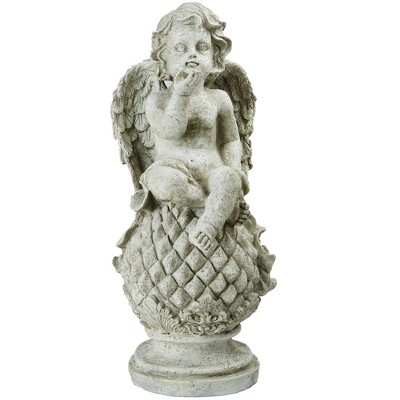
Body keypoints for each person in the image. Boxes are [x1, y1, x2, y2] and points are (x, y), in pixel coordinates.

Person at [142, 3, 248, 252]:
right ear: (164, 59)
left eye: (201, 47)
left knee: (228, 179)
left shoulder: (219, 98)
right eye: (181, 48)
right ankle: (218, 206)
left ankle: (209, 225)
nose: (192, 55)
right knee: (166, 183)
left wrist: (234, 169)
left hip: (211, 171)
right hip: (172, 169)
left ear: (214, 56)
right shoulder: (157, 100)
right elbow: (171, 130)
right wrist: (180, 95)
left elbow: (230, 140)